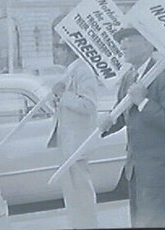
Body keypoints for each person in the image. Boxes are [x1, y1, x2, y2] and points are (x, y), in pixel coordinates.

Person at [100, 27, 165, 228]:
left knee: (151, 224)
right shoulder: (129, 78)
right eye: (122, 41)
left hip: (158, 168)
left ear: (147, 44)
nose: (123, 45)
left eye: (129, 40)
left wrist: (143, 102)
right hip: (135, 169)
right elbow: (121, 116)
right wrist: (107, 123)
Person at [46, 40, 98, 229]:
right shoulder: (70, 72)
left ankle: (87, 225)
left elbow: (88, 105)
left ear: (70, 51)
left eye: (59, 49)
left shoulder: (83, 71)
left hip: (77, 143)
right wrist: (57, 98)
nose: (56, 53)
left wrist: (64, 95)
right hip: (67, 142)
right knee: (72, 192)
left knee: (81, 192)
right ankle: (78, 224)